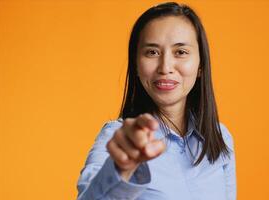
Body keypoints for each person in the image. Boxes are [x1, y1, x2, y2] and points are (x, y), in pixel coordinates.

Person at [77, 2, 237, 200]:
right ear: (136, 64)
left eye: (181, 52)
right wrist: (120, 170)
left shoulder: (221, 138)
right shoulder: (119, 138)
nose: (165, 67)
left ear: (201, 65)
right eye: (152, 52)